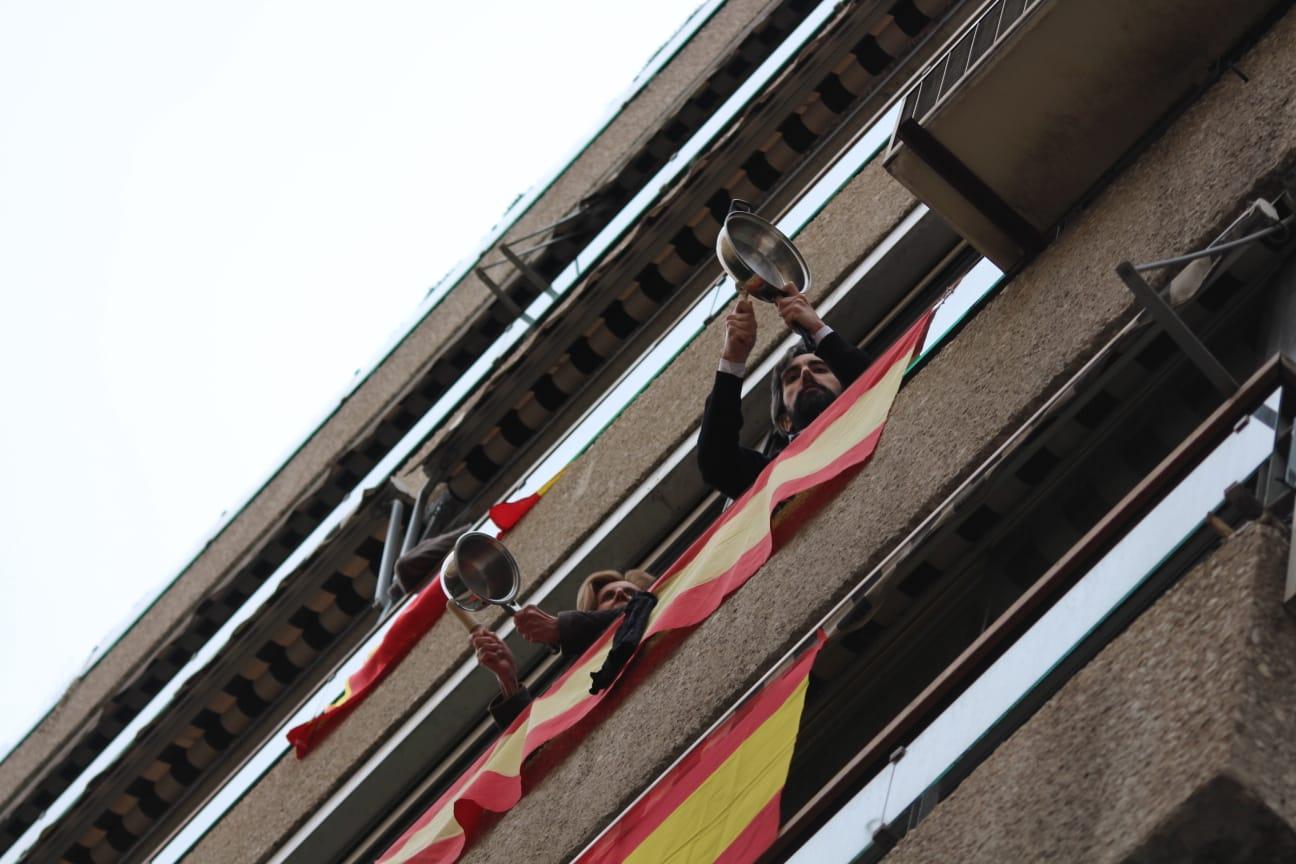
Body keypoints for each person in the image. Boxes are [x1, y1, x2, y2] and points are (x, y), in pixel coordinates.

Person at [697, 282, 872, 500]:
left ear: (845, 386)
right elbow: (715, 460)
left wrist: (817, 329)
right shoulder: (774, 476)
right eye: (791, 378)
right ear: (785, 421)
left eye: (818, 368)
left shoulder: (875, 407)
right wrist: (733, 359)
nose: (806, 374)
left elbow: (874, 379)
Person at [472, 569, 656, 729]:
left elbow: (640, 610)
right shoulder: (573, 679)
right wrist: (508, 679)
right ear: (592, 612)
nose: (620, 595)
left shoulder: (657, 608)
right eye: (608, 596)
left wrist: (561, 627)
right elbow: (538, 734)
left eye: (632, 593)